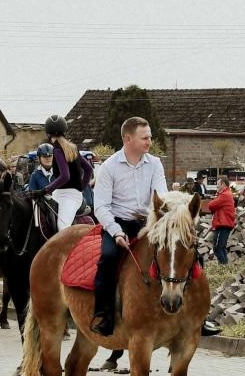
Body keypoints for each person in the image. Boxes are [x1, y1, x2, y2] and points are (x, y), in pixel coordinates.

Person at [90, 117, 218, 337]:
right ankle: (105, 314)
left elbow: (162, 198)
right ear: (128, 139)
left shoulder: (155, 163)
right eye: (145, 137)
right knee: (108, 257)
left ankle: (199, 317)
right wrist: (116, 231)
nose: (150, 141)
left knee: (191, 253)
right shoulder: (109, 167)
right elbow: (100, 206)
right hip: (119, 222)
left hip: (150, 222)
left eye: (150, 137)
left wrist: (174, 217)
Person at [35, 116, 91, 230]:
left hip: (69, 197)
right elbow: (89, 169)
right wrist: (81, 188)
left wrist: (46, 189)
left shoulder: (57, 149)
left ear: (48, 134)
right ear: (64, 131)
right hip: (60, 194)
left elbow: (65, 176)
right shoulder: (73, 148)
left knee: (62, 228)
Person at [202, 172, 237, 264]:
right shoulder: (226, 194)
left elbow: (211, 205)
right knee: (222, 247)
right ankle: (224, 267)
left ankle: (223, 267)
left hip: (223, 224)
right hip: (224, 223)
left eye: (218, 184)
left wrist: (214, 200)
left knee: (217, 248)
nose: (217, 186)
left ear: (223, 184)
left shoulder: (224, 195)